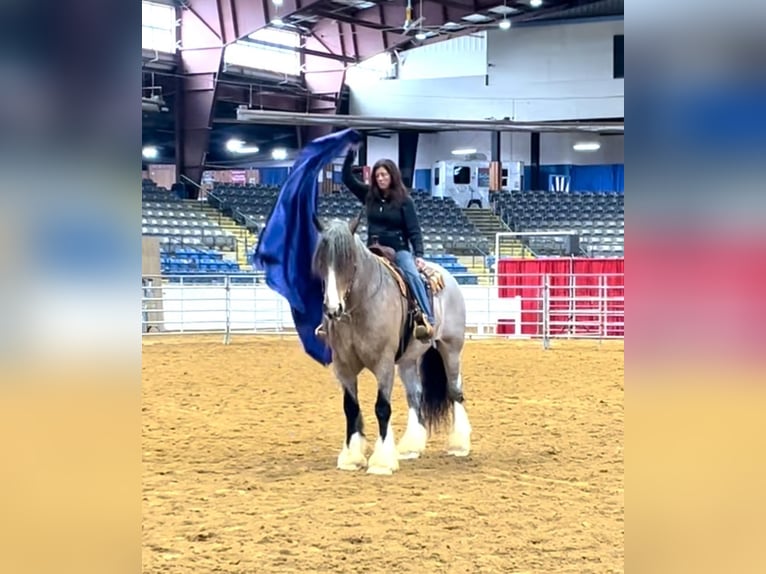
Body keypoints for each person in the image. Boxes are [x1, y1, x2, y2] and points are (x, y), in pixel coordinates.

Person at [316, 149, 435, 341]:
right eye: (377, 175)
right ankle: (329, 320)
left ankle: (426, 318)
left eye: (384, 175)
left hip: (398, 250)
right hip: (373, 248)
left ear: (392, 176)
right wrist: (348, 158)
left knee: (412, 275)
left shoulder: (405, 201)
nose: (380, 178)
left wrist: (418, 253)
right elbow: (347, 179)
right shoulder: (368, 195)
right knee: (341, 272)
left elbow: (414, 230)